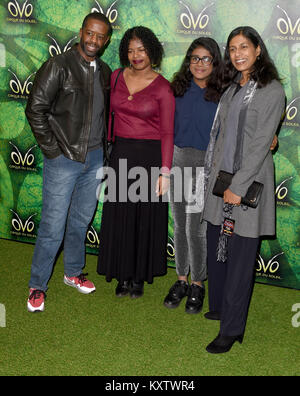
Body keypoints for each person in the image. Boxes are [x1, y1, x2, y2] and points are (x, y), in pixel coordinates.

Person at [202, 26, 285, 353]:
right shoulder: (234, 86)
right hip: (221, 181)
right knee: (217, 243)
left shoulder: (271, 89)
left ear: (258, 50)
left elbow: (262, 142)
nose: (238, 53)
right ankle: (222, 307)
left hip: (247, 184)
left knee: (240, 258)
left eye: (244, 47)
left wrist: (238, 186)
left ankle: (232, 330)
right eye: (233, 48)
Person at [25, 13, 112, 312]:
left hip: (95, 158)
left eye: (100, 37)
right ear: (81, 32)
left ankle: (73, 272)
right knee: (52, 225)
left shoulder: (105, 71)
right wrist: (53, 151)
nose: (94, 40)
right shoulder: (58, 66)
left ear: (106, 40)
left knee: (80, 221)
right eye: (90, 33)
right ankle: (37, 285)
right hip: (63, 159)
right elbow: (35, 109)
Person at [97, 26, 175, 298]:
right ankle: (121, 272)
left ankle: (139, 275)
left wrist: (165, 171)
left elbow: (167, 132)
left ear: (152, 51)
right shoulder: (116, 77)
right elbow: (108, 115)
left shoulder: (163, 87)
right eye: (130, 50)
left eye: (141, 49)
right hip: (120, 154)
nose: (135, 55)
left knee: (143, 217)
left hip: (150, 157)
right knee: (121, 214)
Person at [163, 38, 224, 314]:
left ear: (215, 62)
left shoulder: (224, 93)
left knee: (196, 229)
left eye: (206, 59)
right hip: (178, 161)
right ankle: (181, 280)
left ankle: (198, 283)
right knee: (178, 224)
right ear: (188, 61)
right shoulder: (175, 89)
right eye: (195, 58)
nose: (200, 64)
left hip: (205, 165)